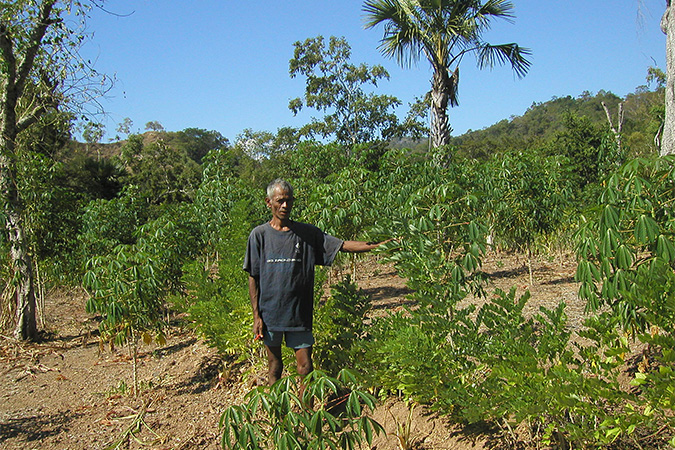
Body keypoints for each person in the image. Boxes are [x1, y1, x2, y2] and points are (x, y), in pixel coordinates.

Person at [243, 178, 390, 385]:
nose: (285, 205)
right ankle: (278, 413)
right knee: (274, 366)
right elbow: (253, 277)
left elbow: (343, 245)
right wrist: (256, 316)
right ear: (269, 203)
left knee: (305, 368)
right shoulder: (259, 236)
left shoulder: (307, 234)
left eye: (288, 200)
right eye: (279, 201)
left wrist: (380, 246)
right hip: (270, 315)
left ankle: (307, 414)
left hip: (299, 314)